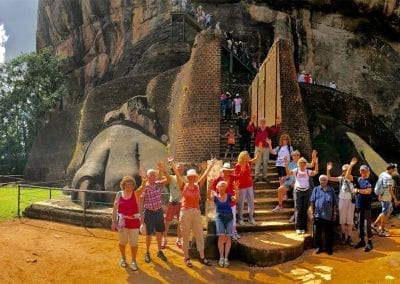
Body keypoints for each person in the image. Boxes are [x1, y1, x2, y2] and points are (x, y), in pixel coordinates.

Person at [173, 160, 216, 267]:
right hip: (185, 212)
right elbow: (178, 175)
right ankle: (187, 258)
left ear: (195, 177)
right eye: (190, 176)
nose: (192, 177)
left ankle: (202, 257)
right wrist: (172, 165)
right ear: (187, 177)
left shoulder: (197, 185)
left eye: (193, 176)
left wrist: (210, 166)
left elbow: (205, 175)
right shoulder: (183, 185)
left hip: (196, 212)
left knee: (200, 235)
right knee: (185, 236)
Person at [111, 175, 146, 271]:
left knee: (134, 243)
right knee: (122, 242)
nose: (129, 186)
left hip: (134, 223)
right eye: (127, 184)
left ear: (133, 185)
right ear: (123, 185)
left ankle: (134, 261)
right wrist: (113, 221)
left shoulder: (136, 194)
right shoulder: (119, 194)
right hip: (122, 223)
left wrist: (144, 178)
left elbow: (143, 187)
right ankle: (123, 258)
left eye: (131, 184)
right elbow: (114, 209)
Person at [141, 162, 171, 263]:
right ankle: (147, 252)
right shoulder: (144, 187)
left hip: (158, 212)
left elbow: (169, 179)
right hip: (149, 212)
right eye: (151, 175)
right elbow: (141, 202)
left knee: (159, 232)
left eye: (154, 175)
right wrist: (141, 215)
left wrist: (163, 170)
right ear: (147, 176)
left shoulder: (158, 184)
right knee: (148, 234)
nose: (153, 177)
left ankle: (159, 251)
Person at [208, 180, 239, 268]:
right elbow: (208, 197)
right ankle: (221, 257)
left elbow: (236, 199)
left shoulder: (229, 195)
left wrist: (236, 191)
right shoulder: (215, 197)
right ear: (217, 187)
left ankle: (226, 258)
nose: (222, 188)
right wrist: (209, 188)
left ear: (225, 188)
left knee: (228, 237)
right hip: (219, 218)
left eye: (223, 186)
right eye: (220, 186)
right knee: (221, 237)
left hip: (229, 217)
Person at [285, 155, 318, 234]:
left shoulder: (307, 171)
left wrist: (316, 163)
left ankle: (303, 228)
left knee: (304, 209)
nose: (302, 165)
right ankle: (298, 228)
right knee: (298, 209)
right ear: (298, 164)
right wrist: (286, 165)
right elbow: (289, 173)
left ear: (305, 164)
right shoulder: (296, 170)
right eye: (301, 163)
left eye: (303, 163)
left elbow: (315, 172)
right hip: (298, 191)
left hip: (306, 191)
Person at [346, 158, 373, 252]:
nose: (363, 172)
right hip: (359, 206)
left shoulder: (369, 180)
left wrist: (357, 190)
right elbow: (347, 176)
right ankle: (362, 241)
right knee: (360, 225)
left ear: (368, 172)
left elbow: (368, 191)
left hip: (367, 207)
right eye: (361, 171)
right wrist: (351, 165)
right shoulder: (357, 179)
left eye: (364, 171)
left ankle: (369, 242)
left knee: (367, 225)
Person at [327, 161, 355, 246]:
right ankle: (343, 236)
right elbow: (329, 178)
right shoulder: (341, 178)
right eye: (343, 170)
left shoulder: (353, 178)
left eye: (346, 170)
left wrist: (351, 165)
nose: (344, 171)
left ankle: (349, 238)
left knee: (350, 220)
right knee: (342, 220)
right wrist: (328, 170)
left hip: (351, 200)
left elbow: (348, 176)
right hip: (342, 199)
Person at [210, 162, 240, 240]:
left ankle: (233, 232)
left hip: (231, 200)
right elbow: (213, 188)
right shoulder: (218, 179)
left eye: (228, 170)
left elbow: (240, 178)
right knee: (223, 218)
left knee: (232, 218)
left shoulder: (233, 177)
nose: (226, 172)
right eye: (224, 170)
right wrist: (215, 194)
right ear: (222, 171)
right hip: (222, 202)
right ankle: (227, 233)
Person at [247, 116, 281, 182]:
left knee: (265, 162)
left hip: (266, 148)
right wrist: (251, 121)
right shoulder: (257, 128)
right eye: (261, 122)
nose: (262, 123)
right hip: (258, 147)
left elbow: (276, 131)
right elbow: (249, 128)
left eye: (263, 122)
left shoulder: (268, 129)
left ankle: (264, 177)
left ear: (265, 123)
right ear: (259, 123)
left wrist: (278, 123)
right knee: (257, 162)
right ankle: (256, 177)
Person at [310, 175, 338, 255]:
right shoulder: (316, 189)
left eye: (324, 180)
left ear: (327, 181)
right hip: (318, 215)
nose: (323, 182)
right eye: (321, 180)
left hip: (328, 215)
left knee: (329, 233)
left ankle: (329, 249)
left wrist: (335, 213)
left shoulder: (331, 190)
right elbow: (312, 201)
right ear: (319, 181)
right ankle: (319, 247)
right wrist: (312, 213)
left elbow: (334, 203)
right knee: (317, 233)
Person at [372, 163, 399, 237]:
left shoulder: (382, 174)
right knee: (385, 212)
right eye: (394, 169)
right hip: (386, 197)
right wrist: (395, 199)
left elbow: (381, 185)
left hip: (384, 196)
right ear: (391, 169)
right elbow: (389, 189)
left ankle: (374, 225)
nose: (395, 170)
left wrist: (379, 195)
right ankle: (381, 230)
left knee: (389, 210)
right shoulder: (389, 177)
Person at [162, 161, 184, 249]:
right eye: (178, 167)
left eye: (181, 167)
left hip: (182, 203)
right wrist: (163, 170)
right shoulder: (171, 177)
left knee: (181, 222)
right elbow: (164, 177)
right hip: (172, 202)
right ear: (175, 169)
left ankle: (178, 239)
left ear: (183, 169)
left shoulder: (185, 178)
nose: (180, 169)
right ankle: (164, 239)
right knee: (167, 222)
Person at [235, 149, 260, 226]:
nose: (249, 156)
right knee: (241, 203)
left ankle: (251, 218)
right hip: (242, 186)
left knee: (251, 202)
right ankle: (240, 219)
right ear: (243, 157)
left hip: (249, 185)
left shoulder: (248, 163)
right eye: (247, 156)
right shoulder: (238, 165)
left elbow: (256, 159)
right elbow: (236, 177)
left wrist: (259, 151)